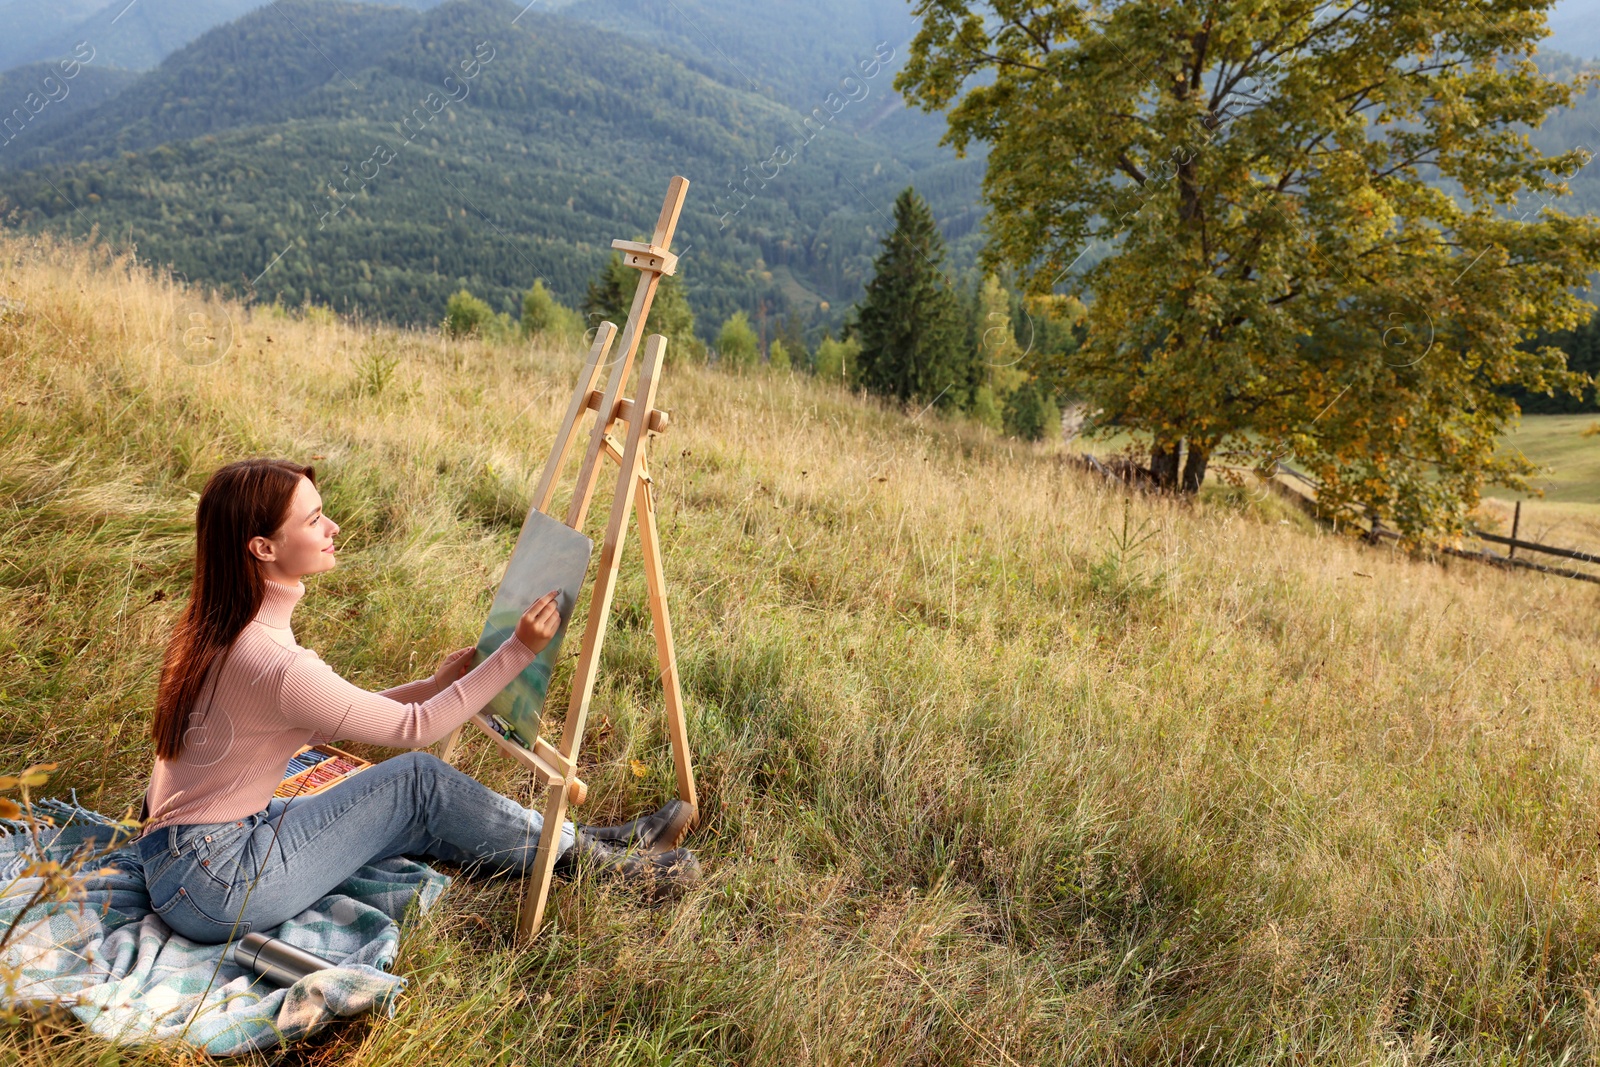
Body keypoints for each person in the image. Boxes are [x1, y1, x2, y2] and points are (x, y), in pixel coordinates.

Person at [129, 458, 698, 944]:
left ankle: (583, 847)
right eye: (312, 519)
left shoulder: (221, 622)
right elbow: (415, 730)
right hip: (215, 884)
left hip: (188, 859)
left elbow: (313, 721)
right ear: (263, 547)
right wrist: (519, 650)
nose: (331, 526)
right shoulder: (274, 661)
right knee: (417, 782)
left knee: (408, 811)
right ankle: (605, 864)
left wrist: (432, 685)